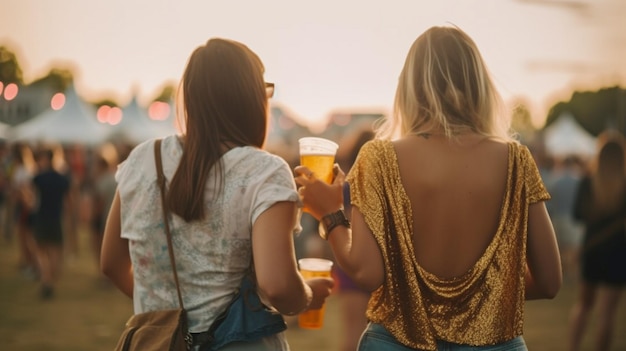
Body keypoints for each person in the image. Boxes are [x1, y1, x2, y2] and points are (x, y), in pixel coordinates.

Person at [295, 25, 562, 351]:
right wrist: (480, 300)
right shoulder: (516, 160)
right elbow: (549, 281)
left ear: (409, 86)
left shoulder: (379, 157)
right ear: (478, 83)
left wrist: (329, 214)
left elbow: (366, 273)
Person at [100, 38, 334, 351]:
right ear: (250, 97)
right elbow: (277, 286)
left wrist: (166, 315)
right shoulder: (264, 170)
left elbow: (111, 263)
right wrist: (307, 295)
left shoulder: (144, 159)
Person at [568, 133, 626, 351]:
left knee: (583, 305)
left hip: (592, 249)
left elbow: (577, 215)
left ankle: (573, 347)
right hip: (618, 252)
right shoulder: (624, 185)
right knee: (607, 313)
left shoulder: (588, 182)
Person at [30, 147, 71, 299]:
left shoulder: (38, 178)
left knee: (41, 251)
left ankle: (46, 280)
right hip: (56, 218)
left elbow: (33, 199)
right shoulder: (62, 179)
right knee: (54, 251)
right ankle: (50, 280)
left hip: (41, 217)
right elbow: (68, 201)